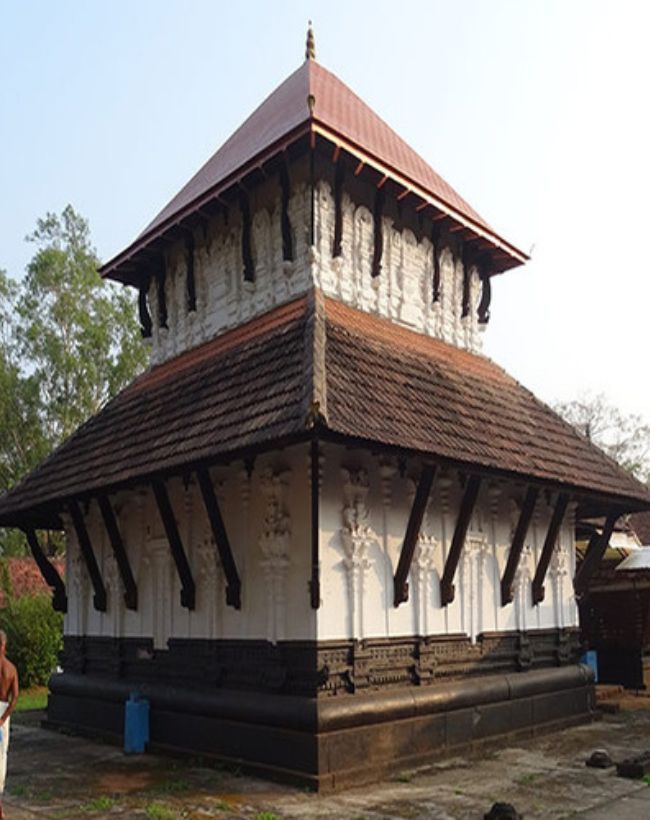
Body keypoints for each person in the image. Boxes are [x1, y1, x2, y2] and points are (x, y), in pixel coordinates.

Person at [0, 630, 18, 820]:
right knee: (1, 756)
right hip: (3, 711)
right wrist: (4, 718)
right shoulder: (11, 669)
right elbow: (15, 698)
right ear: (4, 645)